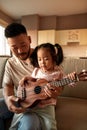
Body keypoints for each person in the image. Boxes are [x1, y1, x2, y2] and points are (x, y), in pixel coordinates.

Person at [0, 23, 64, 130]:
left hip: (38, 105)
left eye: (23, 45)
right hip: (19, 99)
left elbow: (59, 78)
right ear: (9, 46)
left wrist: (58, 90)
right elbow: (7, 85)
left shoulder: (43, 57)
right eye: (14, 48)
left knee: (29, 124)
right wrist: (8, 98)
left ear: (29, 39)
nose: (20, 51)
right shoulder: (10, 63)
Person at [18, 43, 76, 130]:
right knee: (17, 117)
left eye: (46, 59)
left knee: (50, 125)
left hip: (47, 105)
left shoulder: (58, 72)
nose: (42, 62)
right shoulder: (37, 70)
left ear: (53, 58)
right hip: (32, 102)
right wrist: (26, 78)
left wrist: (73, 78)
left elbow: (68, 81)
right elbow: (32, 82)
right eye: (39, 59)